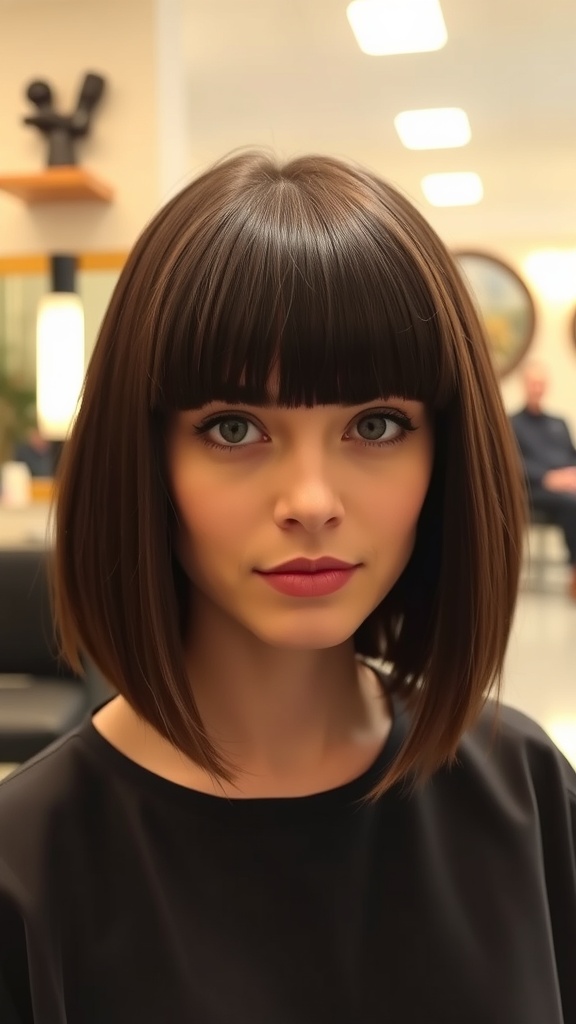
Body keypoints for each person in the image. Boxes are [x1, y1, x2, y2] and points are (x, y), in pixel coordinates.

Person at [0, 152, 574, 1024]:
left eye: (376, 425)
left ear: (442, 453)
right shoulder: (28, 867)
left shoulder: (525, 792)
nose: (311, 502)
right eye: (234, 429)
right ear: (147, 456)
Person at [510, 361, 576, 599]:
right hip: (533, 491)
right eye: (532, 383)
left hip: (568, 488)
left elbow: (571, 456)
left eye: (541, 384)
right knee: (572, 504)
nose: (537, 388)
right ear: (525, 386)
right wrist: (548, 478)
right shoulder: (512, 424)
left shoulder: (559, 423)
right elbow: (512, 465)